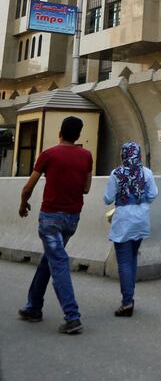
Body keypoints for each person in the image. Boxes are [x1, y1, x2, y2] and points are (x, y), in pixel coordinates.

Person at [17, 116, 93, 335]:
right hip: (72, 218)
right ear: (78, 135)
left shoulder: (48, 154)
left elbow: (28, 187)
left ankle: (72, 316)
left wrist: (23, 205)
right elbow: (86, 189)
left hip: (50, 218)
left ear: (60, 132)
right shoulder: (86, 155)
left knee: (57, 262)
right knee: (48, 260)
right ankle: (33, 307)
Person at [103, 142, 158, 317]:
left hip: (123, 220)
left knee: (124, 261)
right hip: (141, 217)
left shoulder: (116, 174)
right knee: (133, 256)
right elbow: (153, 194)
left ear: (123, 155)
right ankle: (130, 294)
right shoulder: (146, 172)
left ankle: (127, 302)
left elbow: (107, 198)